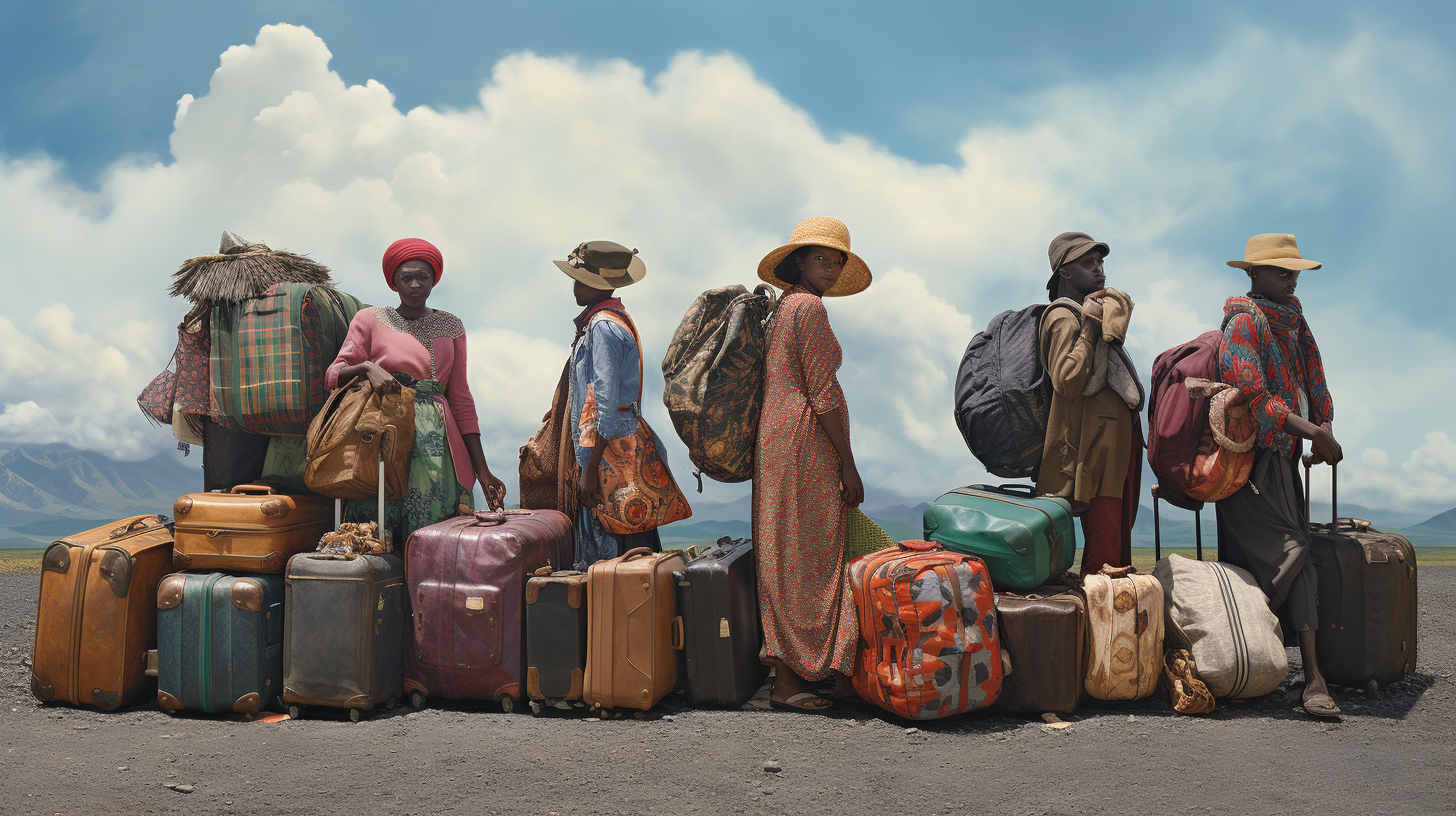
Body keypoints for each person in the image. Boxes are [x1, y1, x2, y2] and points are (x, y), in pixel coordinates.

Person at [1215, 233, 1342, 718]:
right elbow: (1252, 394)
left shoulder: (1294, 319)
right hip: (1249, 465)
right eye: (1280, 270)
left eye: (1294, 271)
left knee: (1293, 558)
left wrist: (1324, 423)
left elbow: (1316, 376)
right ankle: (1298, 673)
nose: (1290, 278)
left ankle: (1297, 674)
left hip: (1283, 461)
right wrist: (1313, 432)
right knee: (1294, 554)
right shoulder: (1244, 323)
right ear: (1253, 274)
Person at [752, 217, 870, 712]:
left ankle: (793, 673)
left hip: (774, 442)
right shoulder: (811, 311)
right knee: (814, 558)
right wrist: (847, 464)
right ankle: (799, 677)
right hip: (805, 444)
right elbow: (823, 395)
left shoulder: (782, 311)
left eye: (837, 260)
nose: (831, 266)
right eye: (821, 257)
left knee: (783, 554)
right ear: (798, 262)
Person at [327, 238, 507, 548]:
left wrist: (483, 471)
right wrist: (367, 368)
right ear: (393, 282)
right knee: (378, 530)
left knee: (436, 539)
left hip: (440, 446)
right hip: (386, 436)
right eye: (406, 277)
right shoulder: (369, 319)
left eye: (422, 277)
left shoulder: (452, 326)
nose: (414, 285)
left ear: (434, 279)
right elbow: (334, 373)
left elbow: (461, 396)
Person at [555, 240, 670, 567]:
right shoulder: (610, 320)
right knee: (628, 552)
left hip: (608, 462)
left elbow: (605, 403)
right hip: (614, 456)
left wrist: (590, 470)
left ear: (596, 284)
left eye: (579, 279)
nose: (574, 286)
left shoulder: (603, 327)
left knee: (608, 561)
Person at [1037, 232, 1145, 575]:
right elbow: (1067, 382)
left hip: (1113, 446)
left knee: (1116, 546)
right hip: (1092, 454)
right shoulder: (1062, 317)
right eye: (1088, 263)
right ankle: (1101, 623)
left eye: (1100, 262)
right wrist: (1088, 329)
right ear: (1064, 273)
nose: (1099, 270)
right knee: (1104, 555)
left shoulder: (1092, 313)